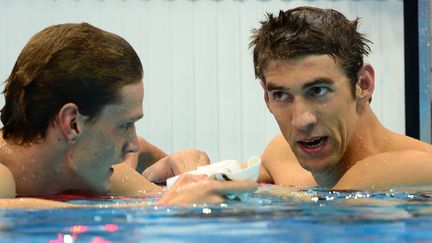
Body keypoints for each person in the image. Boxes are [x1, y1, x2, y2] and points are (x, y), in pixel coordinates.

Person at [0, 23, 256, 208]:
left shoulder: (88, 169)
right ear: (72, 123)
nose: (133, 143)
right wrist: (162, 212)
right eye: (125, 125)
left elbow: (173, 196)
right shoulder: (4, 175)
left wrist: (175, 170)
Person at [250, 6, 432, 190]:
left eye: (318, 91)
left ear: (363, 84)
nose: (301, 121)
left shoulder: (413, 168)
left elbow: (325, 214)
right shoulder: (282, 154)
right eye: (281, 95)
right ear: (267, 98)